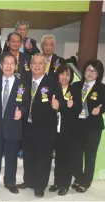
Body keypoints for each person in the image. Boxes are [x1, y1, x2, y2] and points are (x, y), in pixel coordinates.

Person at [17, 53, 64, 198]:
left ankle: (40, 185)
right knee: (29, 155)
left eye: (40, 63)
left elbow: (60, 101)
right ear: (30, 66)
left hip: (45, 127)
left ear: (45, 66)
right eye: (34, 63)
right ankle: (29, 181)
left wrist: (58, 104)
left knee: (43, 157)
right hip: (27, 126)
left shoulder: (52, 82)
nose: (37, 66)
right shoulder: (24, 80)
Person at [0, 53, 29, 194]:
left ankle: (10, 182)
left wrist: (21, 112)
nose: (9, 66)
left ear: (16, 66)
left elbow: (26, 103)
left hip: (13, 126)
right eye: (6, 63)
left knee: (11, 156)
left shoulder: (21, 84)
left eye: (12, 63)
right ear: (1, 65)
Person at [48, 64, 82, 196]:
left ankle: (64, 184)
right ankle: (56, 182)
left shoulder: (74, 90)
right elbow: (49, 106)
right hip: (53, 129)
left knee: (66, 158)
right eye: (62, 74)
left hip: (68, 130)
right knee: (57, 158)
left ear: (71, 76)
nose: (64, 77)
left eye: (68, 74)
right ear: (58, 75)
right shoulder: (53, 88)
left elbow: (77, 109)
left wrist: (68, 106)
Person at [71, 59, 105, 193]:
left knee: (90, 155)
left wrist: (101, 110)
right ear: (84, 70)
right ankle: (78, 178)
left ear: (98, 74)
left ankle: (86, 182)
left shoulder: (102, 88)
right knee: (77, 154)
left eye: (94, 71)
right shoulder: (76, 85)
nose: (91, 73)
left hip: (93, 127)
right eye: (89, 69)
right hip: (77, 126)